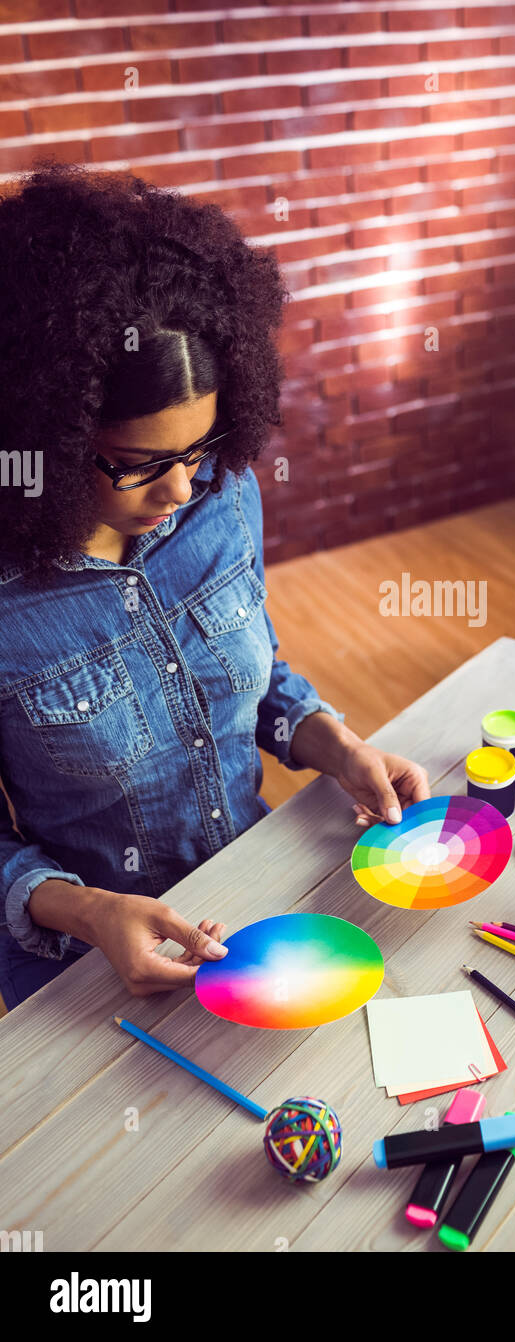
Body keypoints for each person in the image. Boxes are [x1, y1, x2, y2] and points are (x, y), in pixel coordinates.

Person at [0, 160, 429, 1012]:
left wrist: (329, 741)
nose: (183, 490)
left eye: (201, 449)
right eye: (140, 466)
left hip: (252, 898)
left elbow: (248, 672)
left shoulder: (221, 495)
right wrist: (87, 910)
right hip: (82, 968)